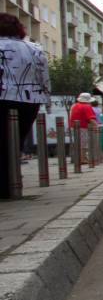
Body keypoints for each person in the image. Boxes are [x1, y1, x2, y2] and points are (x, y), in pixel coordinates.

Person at [0, 13, 50, 198]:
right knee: (16, 140)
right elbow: (43, 76)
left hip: (3, 96)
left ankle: (5, 186)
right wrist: (47, 99)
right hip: (29, 100)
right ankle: (13, 182)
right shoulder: (34, 48)